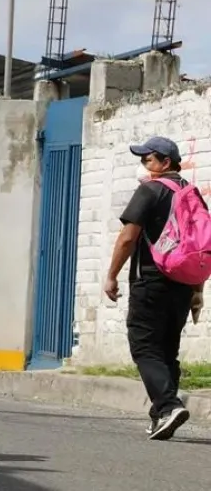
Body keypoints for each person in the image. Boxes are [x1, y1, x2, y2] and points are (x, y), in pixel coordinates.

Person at [104, 136, 204, 441]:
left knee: (144, 346)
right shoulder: (193, 194)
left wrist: (111, 276)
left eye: (148, 159)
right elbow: (200, 246)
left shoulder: (150, 190)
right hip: (183, 284)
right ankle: (160, 416)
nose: (144, 164)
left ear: (165, 163)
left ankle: (169, 405)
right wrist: (197, 290)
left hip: (151, 280)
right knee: (166, 351)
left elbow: (127, 238)